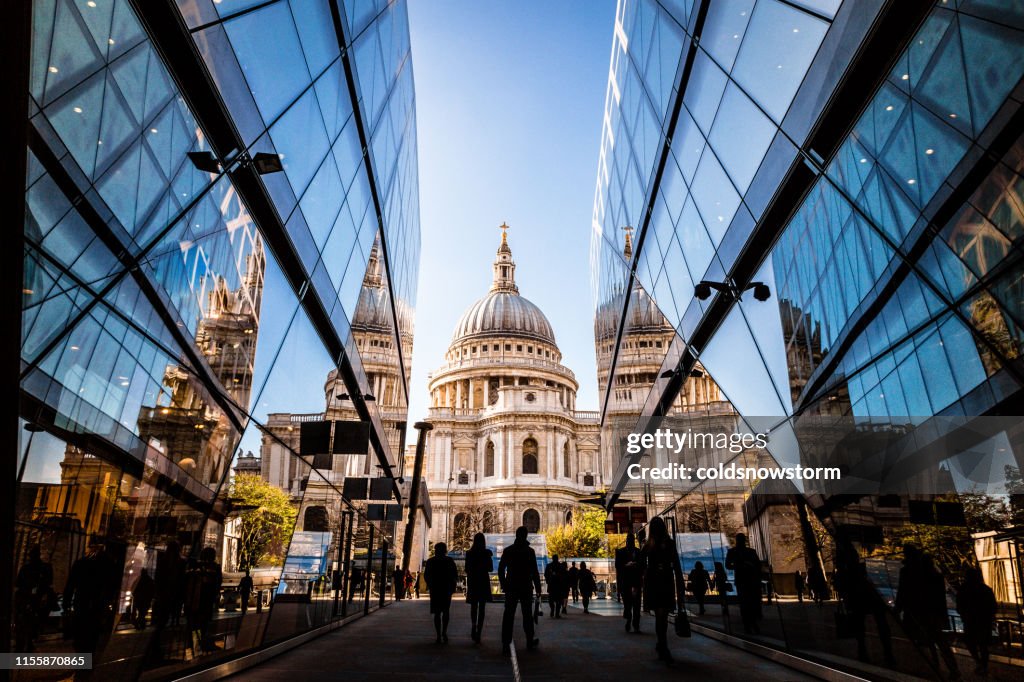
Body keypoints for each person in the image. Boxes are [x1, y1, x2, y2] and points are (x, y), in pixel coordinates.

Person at [895, 544, 959, 678]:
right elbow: (940, 595)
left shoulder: (907, 572)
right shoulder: (933, 573)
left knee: (925, 640)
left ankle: (933, 665)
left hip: (916, 611)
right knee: (939, 641)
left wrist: (898, 609)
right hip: (932, 611)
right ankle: (951, 668)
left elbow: (903, 593)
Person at [63, 539, 120, 654]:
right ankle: (87, 658)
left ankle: (82, 656)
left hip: (82, 601)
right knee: (92, 633)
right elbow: (114, 587)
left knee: (81, 631)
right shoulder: (110, 565)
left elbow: (70, 585)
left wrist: (67, 603)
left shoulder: (81, 563)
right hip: (96, 604)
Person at [642, 517, 685, 662]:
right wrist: (680, 584)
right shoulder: (668, 544)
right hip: (665, 580)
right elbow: (677, 565)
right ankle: (663, 644)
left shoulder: (648, 545)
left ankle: (662, 643)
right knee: (662, 615)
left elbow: (641, 564)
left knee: (661, 615)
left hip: (654, 581)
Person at [498, 526, 542, 656]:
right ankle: (529, 640)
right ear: (526, 536)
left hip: (511, 586)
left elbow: (501, 569)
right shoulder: (530, 552)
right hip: (526, 587)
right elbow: (535, 572)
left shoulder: (508, 551)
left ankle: (506, 643)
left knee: (508, 615)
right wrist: (538, 588)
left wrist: (504, 584)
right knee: (527, 614)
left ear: (516, 535)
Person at [15, 545, 54, 652]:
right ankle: (28, 642)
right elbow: (49, 584)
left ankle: (24, 644)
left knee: (25, 623)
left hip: (28, 599)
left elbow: (18, 583)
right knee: (31, 623)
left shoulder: (27, 568)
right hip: (35, 599)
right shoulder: (45, 568)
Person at [957, 567, 996, 675]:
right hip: (983, 621)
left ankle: (979, 663)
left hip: (970, 620)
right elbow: (993, 607)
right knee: (983, 645)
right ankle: (983, 665)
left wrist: (964, 614)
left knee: (970, 643)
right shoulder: (986, 589)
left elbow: (959, 605)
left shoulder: (963, 589)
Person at [184, 547, 222, 653]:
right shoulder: (215, 567)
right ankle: (203, 643)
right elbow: (217, 583)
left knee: (193, 623)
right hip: (206, 599)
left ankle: (193, 644)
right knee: (204, 622)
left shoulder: (194, 566)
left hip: (193, 599)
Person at [725, 533, 762, 634]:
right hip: (746, 580)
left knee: (746, 603)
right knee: (747, 603)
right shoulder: (749, 551)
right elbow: (728, 565)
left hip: (746, 580)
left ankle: (749, 624)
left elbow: (728, 565)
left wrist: (738, 566)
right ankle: (750, 624)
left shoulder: (734, 552)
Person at [424, 542, 458, 644]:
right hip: (446, 589)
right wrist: (452, 587)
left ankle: (438, 634)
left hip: (435, 590)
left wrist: (431, 585)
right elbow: (454, 575)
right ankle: (444, 632)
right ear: (445, 550)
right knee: (446, 612)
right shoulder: (449, 560)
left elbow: (427, 575)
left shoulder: (431, 561)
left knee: (437, 613)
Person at [465, 533, 493, 643]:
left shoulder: (469, 553)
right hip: (483, 581)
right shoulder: (486, 553)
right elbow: (490, 569)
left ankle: (473, 625)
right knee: (482, 608)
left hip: (473, 581)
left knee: (473, 606)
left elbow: (467, 569)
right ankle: (479, 632)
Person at [616, 532, 642, 632]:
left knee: (637, 604)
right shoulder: (620, 552)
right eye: (628, 540)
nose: (630, 542)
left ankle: (636, 624)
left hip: (636, 581)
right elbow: (618, 566)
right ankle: (629, 618)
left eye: (631, 540)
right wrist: (626, 566)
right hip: (625, 580)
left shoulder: (638, 552)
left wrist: (636, 565)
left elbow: (642, 565)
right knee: (627, 603)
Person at [544, 554, 565, 618]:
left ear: (552, 558)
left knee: (551, 599)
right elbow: (563, 575)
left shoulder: (549, 566)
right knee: (558, 600)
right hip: (559, 585)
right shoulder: (561, 566)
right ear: (557, 558)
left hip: (551, 585)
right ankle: (557, 613)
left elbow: (545, 574)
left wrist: (548, 581)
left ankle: (552, 609)